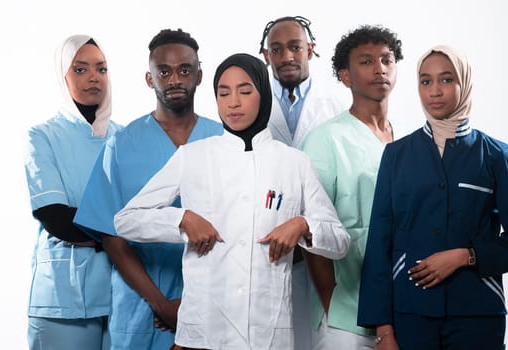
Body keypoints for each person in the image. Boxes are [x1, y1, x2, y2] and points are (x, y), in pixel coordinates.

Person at [113, 53, 351, 350]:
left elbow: (340, 242)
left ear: (262, 95)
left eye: (244, 91)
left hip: (267, 332)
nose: (233, 102)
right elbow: (126, 220)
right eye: (223, 93)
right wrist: (182, 219)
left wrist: (303, 225)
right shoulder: (194, 156)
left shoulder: (293, 163)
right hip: (204, 330)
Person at [357, 45, 508, 349]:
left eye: (446, 80)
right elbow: (379, 243)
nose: (435, 91)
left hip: (477, 314)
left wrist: (465, 256)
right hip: (410, 312)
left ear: (464, 84)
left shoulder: (495, 155)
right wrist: (384, 330)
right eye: (425, 82)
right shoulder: (396, 155)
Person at [73, 29, 223, 349]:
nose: (174, 80)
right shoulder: (122, 145)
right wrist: (161, 305)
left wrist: (194, 306)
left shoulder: (225, 141)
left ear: (198, 75)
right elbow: (112, 235)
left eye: (184, 70)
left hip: (215, 307)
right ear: (149, 78)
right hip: (140, 309)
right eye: (163, 72)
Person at [301, 25, 404, 350]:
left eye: (387, 60)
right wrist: (332, 302)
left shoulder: (406, 143)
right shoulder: (325, 140)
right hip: (346, 316)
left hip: (401, 310)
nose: (379, 69)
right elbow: (312, 230)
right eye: (366, 61)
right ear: (345, 76)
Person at [23, 34, 123, 350]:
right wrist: (129, 226)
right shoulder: (42, 137)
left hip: (122, 295)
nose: (94, 77)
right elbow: (58, 218)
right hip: (63, 300)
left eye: (101, 69)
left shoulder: (126, 138)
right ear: (62, 76)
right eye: (80, 69)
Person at [259, 16, 348, 348]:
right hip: (273, 244)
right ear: (265, 55)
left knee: (328, 333)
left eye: (294, 47)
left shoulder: (338, 107)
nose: (286, 57)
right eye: (276, 49)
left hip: (326, 241)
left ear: (310, 49)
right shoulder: (252, 105)